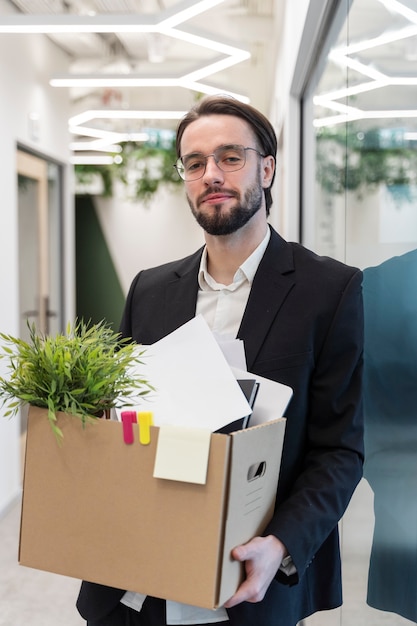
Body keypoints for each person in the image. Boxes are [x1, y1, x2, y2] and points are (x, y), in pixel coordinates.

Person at [77, 95, 364, 626]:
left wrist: (281, 544)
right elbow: (119, 420)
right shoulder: (149, 289)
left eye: (230, 157)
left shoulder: (330, 290)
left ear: (267, 168)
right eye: (195, 163)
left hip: (247, 582)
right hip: (135, 581)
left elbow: (339, 450)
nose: (211, 173)